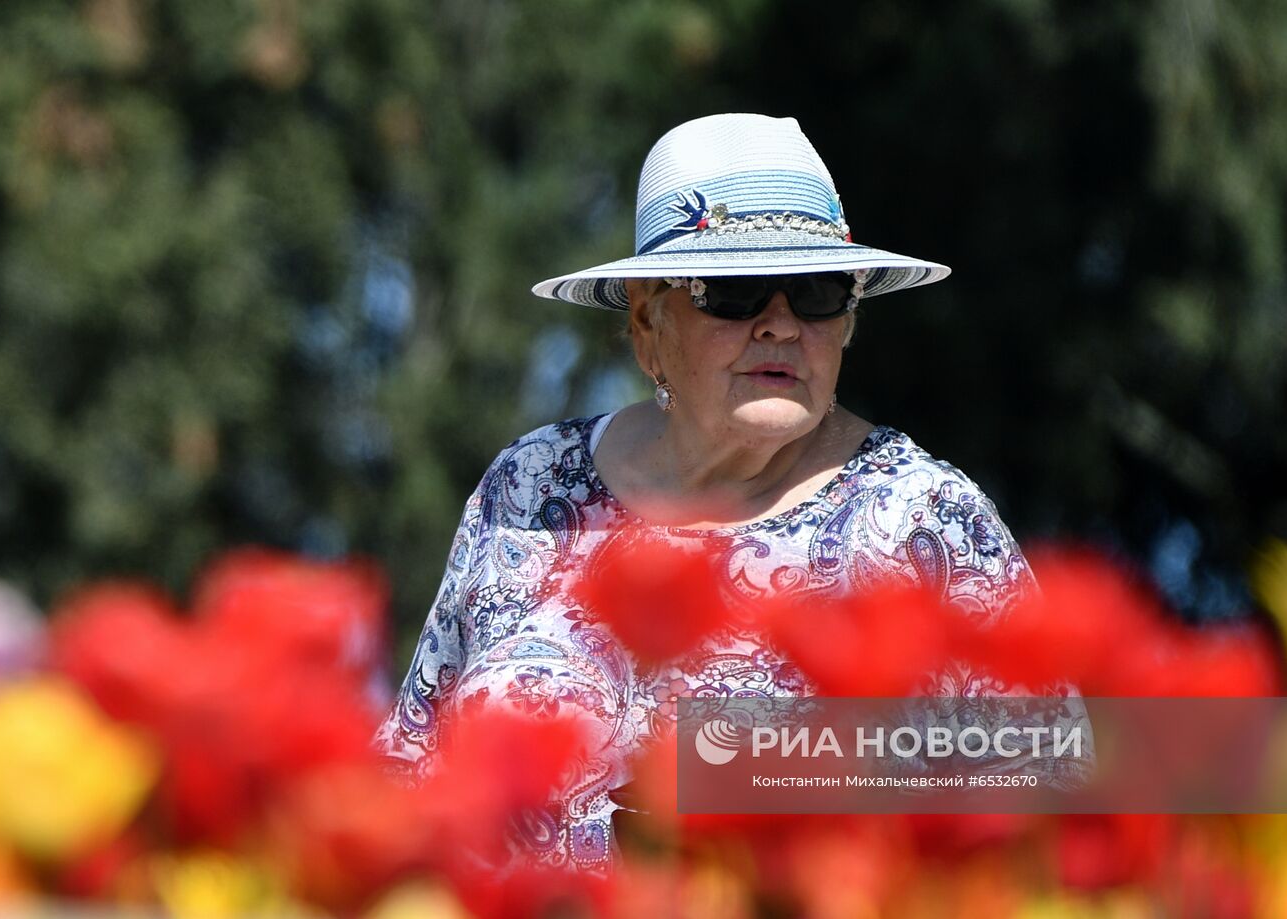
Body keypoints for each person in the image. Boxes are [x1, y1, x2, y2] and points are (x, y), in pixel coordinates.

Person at [375, 113, 1046, 874]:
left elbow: (1053, 791)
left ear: (849, 320)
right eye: (734, 291)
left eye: (818, 291)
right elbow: (412, 769)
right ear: (646, 325)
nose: (781, 325)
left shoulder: (926, 519)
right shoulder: (528, 489)